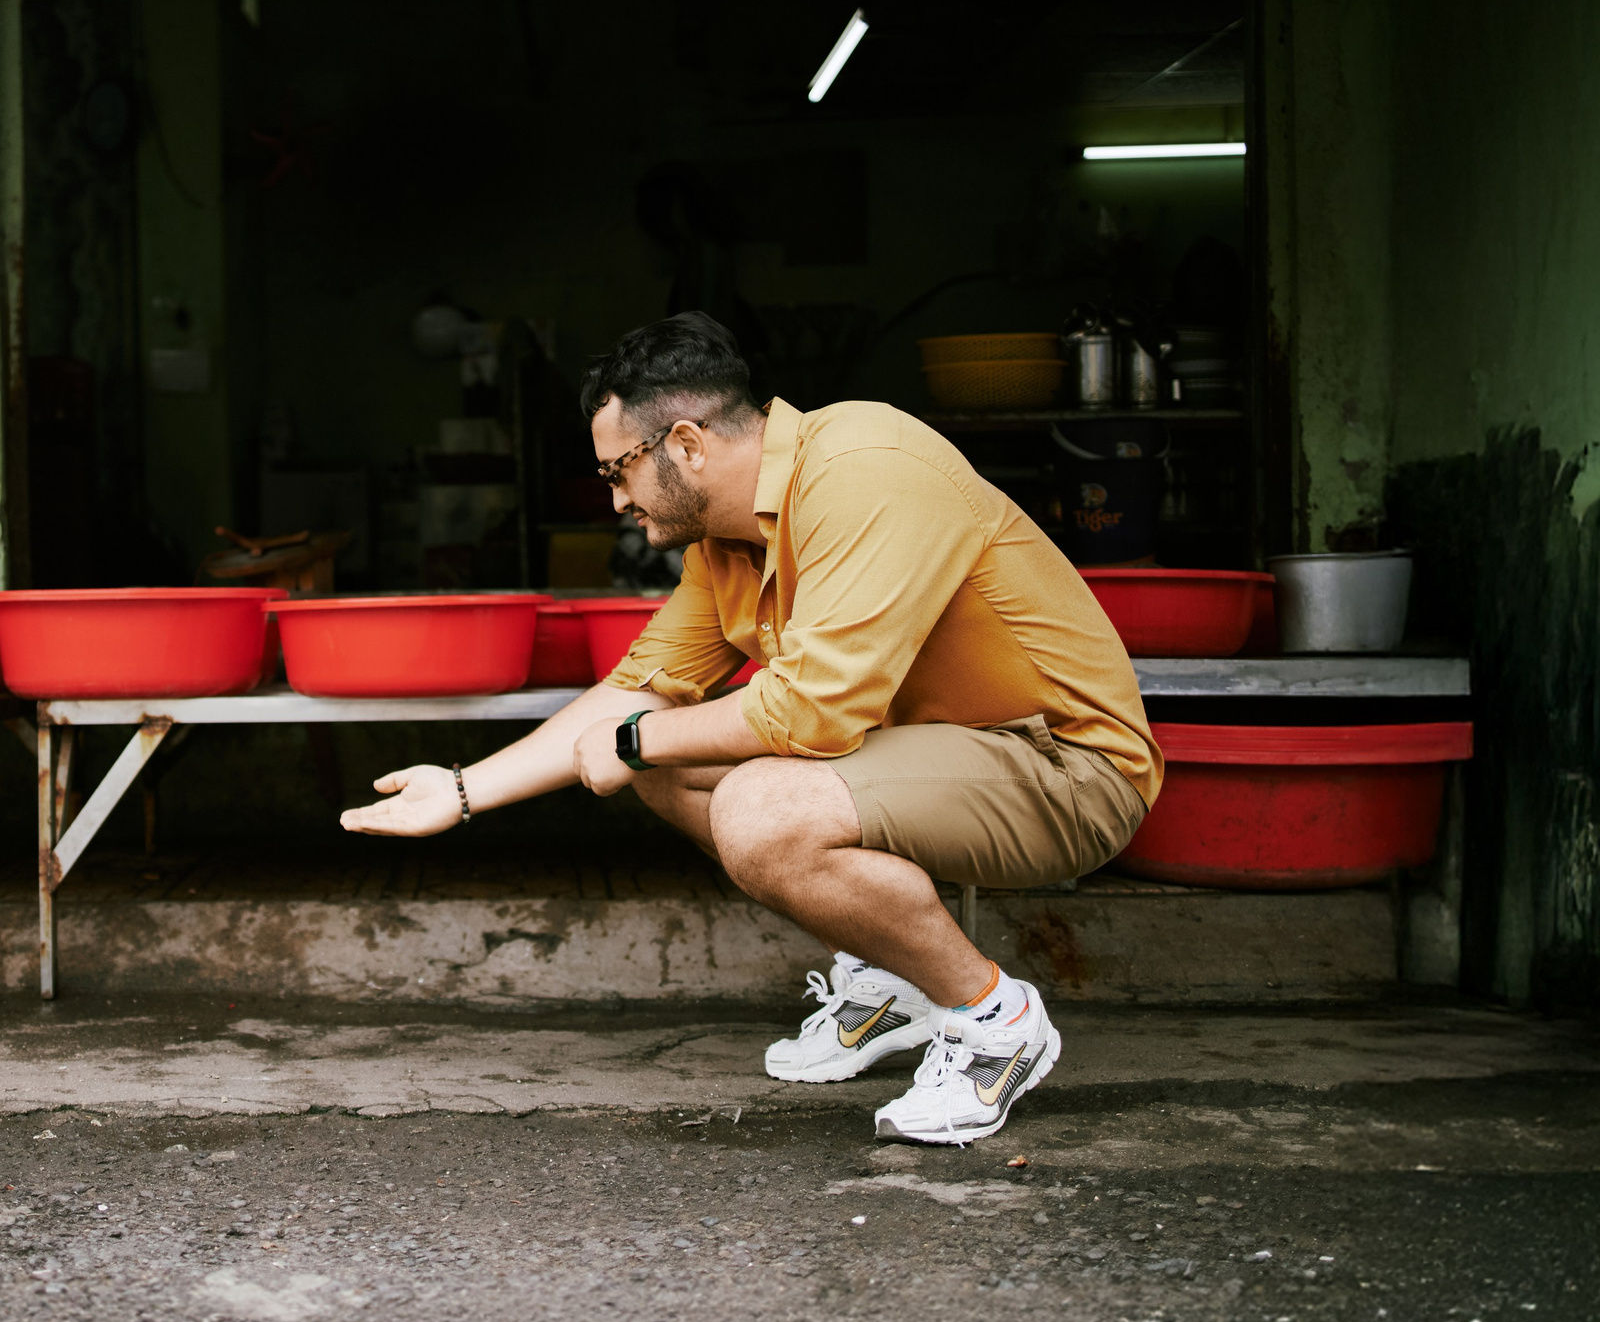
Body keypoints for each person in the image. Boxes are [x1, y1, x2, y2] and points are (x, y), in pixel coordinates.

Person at [342, 313, 1160, 1144]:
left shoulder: (865, 465)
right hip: (927, 759)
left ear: (687, 444)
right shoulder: (725, 546)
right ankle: (893, 981)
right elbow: (634, 691)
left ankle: (994, 1020)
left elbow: (809, 710)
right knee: (665, 764)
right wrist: (463, 790)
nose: (615, 500)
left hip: (1064, 768)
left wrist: (633, 740)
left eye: (619, 471)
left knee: (757, 808)